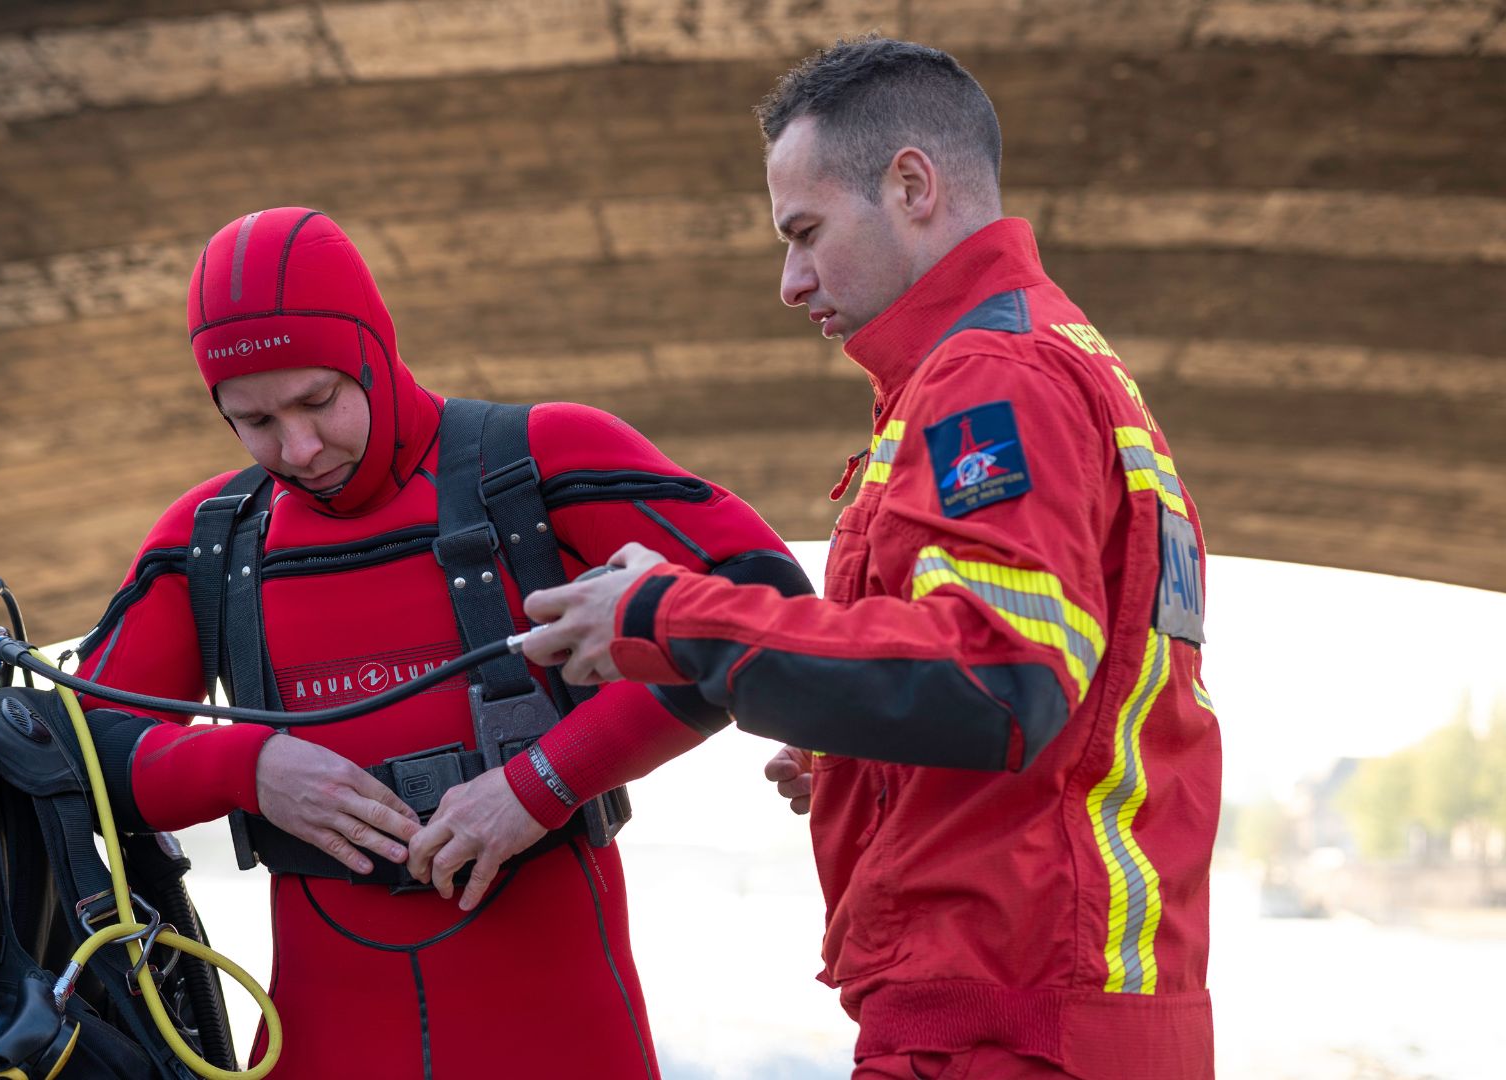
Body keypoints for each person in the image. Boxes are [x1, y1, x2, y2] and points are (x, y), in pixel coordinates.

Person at [516, 37, 1221, 1080]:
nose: (790, 282)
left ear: (911, 185)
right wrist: (865, 760)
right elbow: (1065, 689)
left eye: (806, 234)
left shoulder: (990, 380)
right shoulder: (1065, 360)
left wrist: (664, 614)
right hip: (1073, 1008)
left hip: (1000, 1024)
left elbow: (1000, 677)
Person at [69, 206, 809, 1080]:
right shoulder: (212, 540)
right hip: (324, 1041)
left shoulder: (540, 461)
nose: (300, 448)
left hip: (563, 1034)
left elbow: (771, 611)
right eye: (253, 421)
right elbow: (72, 758)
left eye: (320, 399)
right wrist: (250, 768)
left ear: (375, 351)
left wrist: (544, 781)